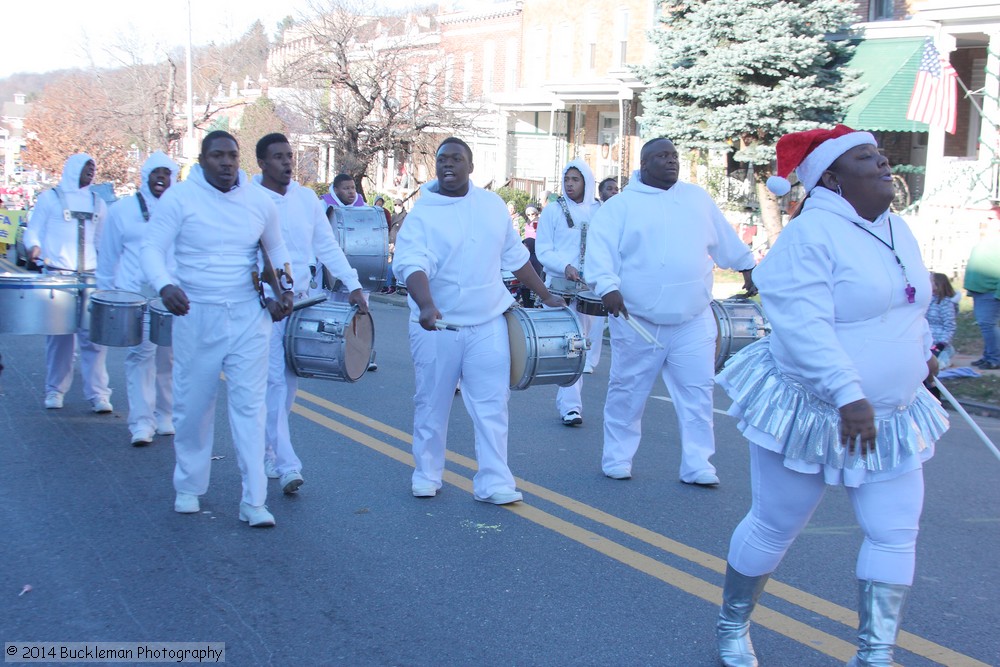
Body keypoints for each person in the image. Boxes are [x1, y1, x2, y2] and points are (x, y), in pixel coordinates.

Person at [715, 125, 949, 667]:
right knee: (775, 524)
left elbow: (908, 305)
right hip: (817, 410)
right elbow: (802, 325)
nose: (885, 163)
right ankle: (732, 627)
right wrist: (848, 394)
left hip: (892, 414)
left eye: (882, 155)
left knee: (895, 532)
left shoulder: (896, 228)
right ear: (834, 178)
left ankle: (875, 654)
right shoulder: (810, 236)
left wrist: (922, 353)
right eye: (868, 157)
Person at [392, 136, 563, 504]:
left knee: (492, 405)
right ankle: (426, 473)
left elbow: (515, 257)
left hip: (488, 323)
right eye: (441, 160)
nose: (448, 165)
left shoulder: (492, 205)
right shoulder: (423, 213)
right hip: (437, 325)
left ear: (471, 167)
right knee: (432, 403)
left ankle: (494, 481)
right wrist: (424, 304)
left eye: (456, 159)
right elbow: (411, 264)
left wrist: (547, 295)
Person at [141, 130, 294, 528]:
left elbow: (276, 249)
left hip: (248, 316)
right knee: (194, 405)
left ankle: (254, 499)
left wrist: (286, 289)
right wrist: (164, 284)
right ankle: (189, 487)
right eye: (217, 156)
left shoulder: (259, 202)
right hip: (196, 312)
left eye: (232, 155)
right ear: (202, 159)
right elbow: (151, 249)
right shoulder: (179, 199)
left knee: (250, 406)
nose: (226, 163)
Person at [585, 137, 755, 485]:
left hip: (693, 319)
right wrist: (607, 287)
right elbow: (600, 253)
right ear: (644, 165)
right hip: (636, 320)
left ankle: (698, 464)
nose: (671, 162)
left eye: (674, 156)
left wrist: (746, 266)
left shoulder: (696, 199)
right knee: (627, 392)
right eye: (662, 156)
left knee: (698, 393)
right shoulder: (620, 207)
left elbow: (725, 240)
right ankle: (617, 458)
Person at [253, 133, 369, 494]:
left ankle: (268, 451)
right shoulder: (250, 199)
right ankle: (288, 464)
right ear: (261, 163)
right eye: (278, 157)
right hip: (264, 307)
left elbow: (327, 246)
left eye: (290, 155)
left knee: (287, 386)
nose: (287, 162)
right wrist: (266, 293)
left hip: (302, 303)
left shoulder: (306, 200)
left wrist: (352, 284)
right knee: (273, 383)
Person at [96, 151, 179, 445]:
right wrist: (105, 294)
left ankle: (165, 414)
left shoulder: (180, 208)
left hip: (170, 299)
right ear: (146, 176)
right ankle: (141, 423)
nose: (161, 178)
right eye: (157, 173)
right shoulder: (122, 210)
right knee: (139, 357)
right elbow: (107, 256)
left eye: (167, 174)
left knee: (168, 358)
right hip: (134, 298)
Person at [24, 153, 112, 413]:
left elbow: (103, 242)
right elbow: (33, 230)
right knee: (60, 338)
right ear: (73, 168)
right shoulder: (50, 198)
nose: (91, 171)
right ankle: (55, 390)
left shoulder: (98, 202)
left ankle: (98, 394)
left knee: (94, 339)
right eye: (86, 167)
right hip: (59, 275)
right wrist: (34, 247)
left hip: (91, 277)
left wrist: (109, 272)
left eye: (93, 167)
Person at [536, 159, 602, 426]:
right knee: (569, 348)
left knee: (582, 348)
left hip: (590, 291)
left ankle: (572, 404)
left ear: (586, 181)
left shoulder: (600, 211)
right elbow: (543, 250)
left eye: (575, 179)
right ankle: (570, 406)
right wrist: (565, 267)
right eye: (567, 180)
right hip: (559, 291)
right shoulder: (553, 211)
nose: (570, 184)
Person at [323, 173, 379, 371]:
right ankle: (332, 353)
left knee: (360, 314)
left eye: (353, 188)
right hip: (332, 275)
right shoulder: (324, 206)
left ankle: (363, 354)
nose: (350, 192)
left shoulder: (364, 209)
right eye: (346, 188)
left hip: (358, 271)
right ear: (336, 190)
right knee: (334, 315)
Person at [962, 230, 1000, 369]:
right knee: (986, 326)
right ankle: (988, 356)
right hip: (980, 291)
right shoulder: (987, 241)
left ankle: (995, 359)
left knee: (988, 325)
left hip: (990, 292)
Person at [926, 272, 958, 371]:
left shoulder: (946, 303)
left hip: (939, 344)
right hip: (926, 341)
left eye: (930, 281)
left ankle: (946, 355)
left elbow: (949, 326)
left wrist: (942, 344)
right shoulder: (928, 300)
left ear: (938, 284)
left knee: (936, 365)